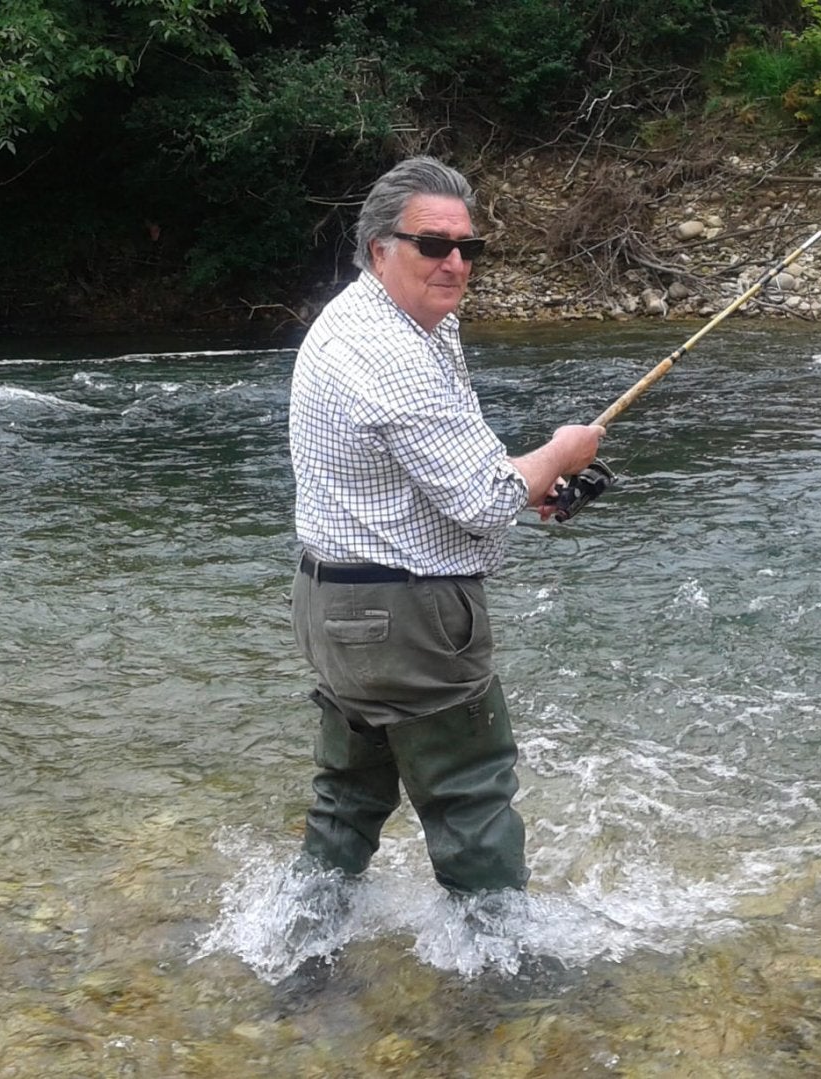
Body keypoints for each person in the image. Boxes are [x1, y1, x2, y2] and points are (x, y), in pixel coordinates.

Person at [287, 155, 601, 898]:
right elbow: (486, 499)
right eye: (434, 245)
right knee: (473, 799)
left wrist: (530, 484)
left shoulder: (369, 318)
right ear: (380, 250)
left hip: (330, 609)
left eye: (469, 247)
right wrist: (559, 452)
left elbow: (443, 478)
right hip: (410, 620)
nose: (455, 262)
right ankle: (508, 982)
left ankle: (298, 955)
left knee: (348, 798)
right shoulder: (393, 354)